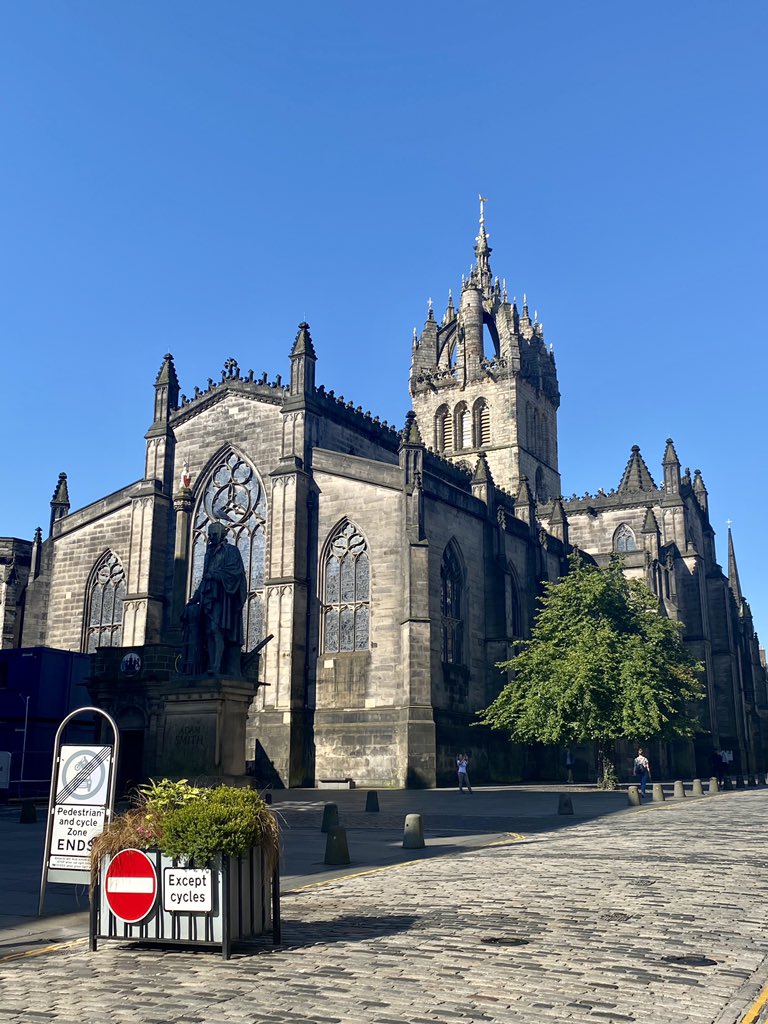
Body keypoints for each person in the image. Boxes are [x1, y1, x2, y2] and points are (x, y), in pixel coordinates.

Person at [183, 522, 247, 676]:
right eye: (209, 535)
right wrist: (196, 597)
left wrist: (216, 576)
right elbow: (205, 576)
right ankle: (212, 666)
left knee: (215, 629)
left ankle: (216, 666)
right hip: (208, 596)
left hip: (223, 597)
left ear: (222, 534)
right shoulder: (208, 553)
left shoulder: (231, 551)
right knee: (208, 632)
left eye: (214, 534)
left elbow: (236, 572)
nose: (211, 538)